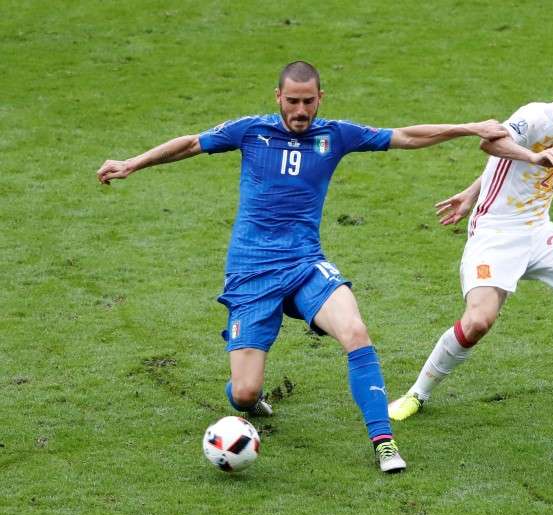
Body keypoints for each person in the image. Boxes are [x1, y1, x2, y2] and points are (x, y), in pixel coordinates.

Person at [96, 61, 507, 473]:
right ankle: (246, 400)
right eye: (292, 101)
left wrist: (468, 127)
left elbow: (405, 136)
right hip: (251, 272)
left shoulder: (336, 135)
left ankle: (383, 442)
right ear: (278, 98)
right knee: (243, 392)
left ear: (320, 99)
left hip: (305, 263)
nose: (300, 110)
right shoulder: (251, 131)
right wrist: (133, 163)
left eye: (308, 102)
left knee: (356, 331)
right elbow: (190, 145)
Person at [388, 65, 553, 423]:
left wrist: (470, 191)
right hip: (495, 234)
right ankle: (417, 393)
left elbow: (504, 162)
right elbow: (491, 142)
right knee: (479, 321)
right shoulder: (534, 116)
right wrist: (534, 156)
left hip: (538, 232)